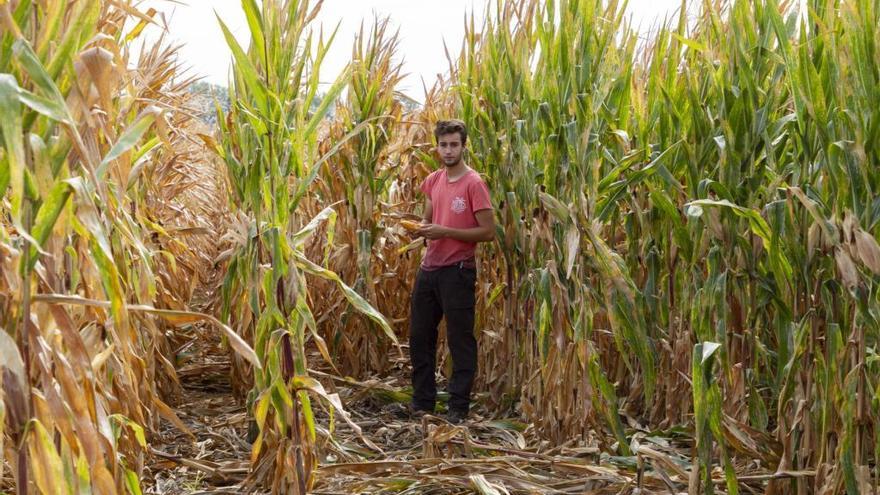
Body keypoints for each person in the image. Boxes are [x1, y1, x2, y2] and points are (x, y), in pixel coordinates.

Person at [409, 119, 495, 424]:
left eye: (454, 145)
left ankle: (458, 408)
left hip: (457, 271)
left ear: (463, 145)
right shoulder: (433, 180)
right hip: (429, 268)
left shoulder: (474, 183)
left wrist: (444, 230)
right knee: (420, 338)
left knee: (460, 340)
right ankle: (422, 404)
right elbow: (428, 220)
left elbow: (487, 232)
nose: (448, 150)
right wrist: (419, 231)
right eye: (443, 145)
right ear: (437, 146)